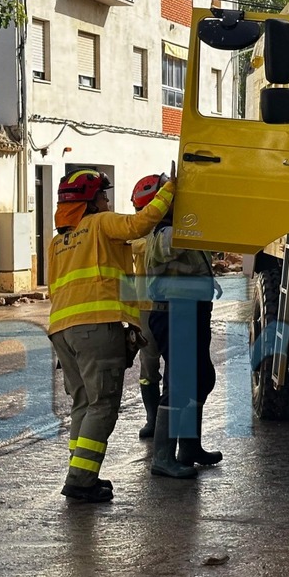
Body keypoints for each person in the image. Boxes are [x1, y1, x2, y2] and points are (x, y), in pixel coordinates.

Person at [48, 168, 175, 503]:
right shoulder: (101, 223)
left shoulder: (57, 242)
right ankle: (80, 480)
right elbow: (138, 225)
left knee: (83, 403)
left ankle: (80, 472)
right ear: (90, 203)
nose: (107, 201)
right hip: (96, 327)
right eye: (103, 196)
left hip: (62, 332)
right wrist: (170, 191)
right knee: (103, 404)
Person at [139, 172, 224, 479]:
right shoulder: (163, 233)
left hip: (192, 311)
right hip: (175, 314)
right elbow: (173, 247)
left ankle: (189, 447)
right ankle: (162, 456)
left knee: (201, 378)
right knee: (181, 385)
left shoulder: (181, 229)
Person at [129, 174, 167, 440]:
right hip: (147, 308)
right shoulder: (142, 236)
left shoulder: (162, 232)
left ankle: (164, 420)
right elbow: (139, 244)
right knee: (148, 368)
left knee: (174, 368)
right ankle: (153, 419)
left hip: (165, 307)